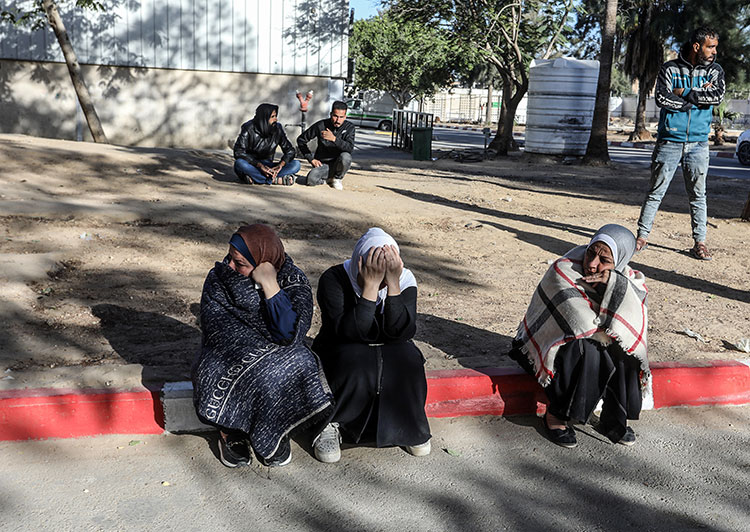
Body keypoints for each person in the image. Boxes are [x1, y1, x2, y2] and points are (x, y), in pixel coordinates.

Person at [192, 224, 332, 467]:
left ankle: (274, 430)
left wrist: (271, 287)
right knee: (218, 369)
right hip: (229, 353)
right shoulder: (219, 278)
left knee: (300, 361)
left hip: (274, 350)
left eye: (240, 263)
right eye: (231, 258)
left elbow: (291, 335)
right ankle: (229, 432)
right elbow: (217, 331)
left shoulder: (292, 280)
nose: (231, 267)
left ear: (263, 262)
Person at [508, 224, 650, 448]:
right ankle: (556, 415)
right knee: (589, 348)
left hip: (595, 338)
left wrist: (612, 286)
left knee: (626, 350)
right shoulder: (564, 270)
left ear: (620, 262)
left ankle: (614, 420)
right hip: (549, 347)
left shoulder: (628, 279)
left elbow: (634, 322)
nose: (592, 264)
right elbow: (581, 323)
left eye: (604, 260)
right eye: (591, 252)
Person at [311, 228, 431, 463]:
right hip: (340, 344)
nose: (382, 284)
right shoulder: (333, 279)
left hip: (388, 345)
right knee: (353, 361)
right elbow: (349, 333)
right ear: (359, 263)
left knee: (409, 358)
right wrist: (369, 288)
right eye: (378, 276)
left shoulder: (404, 279)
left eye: (386, 278)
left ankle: (409, 424)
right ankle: (330, 423)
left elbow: (402, 333)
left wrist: (394, 284)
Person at [636, 27, 725, 260]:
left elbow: (716, 97)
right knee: (656, 191)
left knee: (698, 195)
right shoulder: (669, 68)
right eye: (710, 46)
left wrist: (684, 91)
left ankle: (700, 242)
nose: (714, 51)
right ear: (697, 46)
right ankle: (642, 237)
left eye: (715, 46)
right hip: (669, 141)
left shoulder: (715, 71)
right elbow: (662, 98)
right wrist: (693, 100)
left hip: (698, 144)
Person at [233, 103, 301, 186]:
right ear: (263, 118)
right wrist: (259, 165)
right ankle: (274, 180)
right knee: (239, 164)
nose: (276, 119)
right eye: (272, 117)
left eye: (276, 116)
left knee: (296, 164)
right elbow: (238, 152)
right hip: (253, 165)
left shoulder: (277, 128)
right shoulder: (248, 128)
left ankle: (256, 178)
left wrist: (280, 165)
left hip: (269, 166)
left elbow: (290, 150)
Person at [296, 100, 355, 190]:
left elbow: (350, 148)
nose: (338, 120)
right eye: (335, 116)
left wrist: (334, 139)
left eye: (341, 117)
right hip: (322, 165)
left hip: (338, 164)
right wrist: (311, 159)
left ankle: (337, 178)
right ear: (331, 114)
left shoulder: (349, 127)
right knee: (311, 180)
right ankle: (326, 180)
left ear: (345, 116)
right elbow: (301, 140)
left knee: (346, 156)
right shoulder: (321, 125)